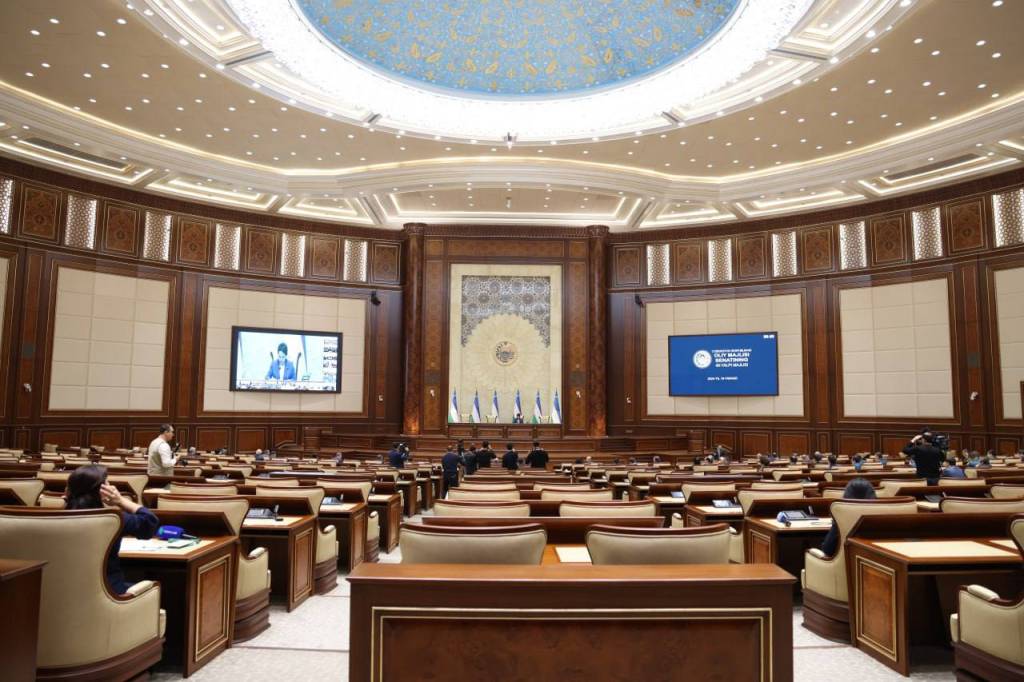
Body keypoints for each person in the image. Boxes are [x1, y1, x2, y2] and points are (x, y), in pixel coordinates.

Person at [65, 464, 160, 595]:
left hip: (59, 592)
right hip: (108, 593)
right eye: (107, 483)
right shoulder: (113, 519)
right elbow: (150, 523)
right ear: (103, 490)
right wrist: (120, 500)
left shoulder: (51, 520)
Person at [819, 478, 876, 557]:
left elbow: (827, 549)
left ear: (845, 497)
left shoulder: (842, 518)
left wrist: (835, 523)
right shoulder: (880, 516)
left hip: (843, 564)